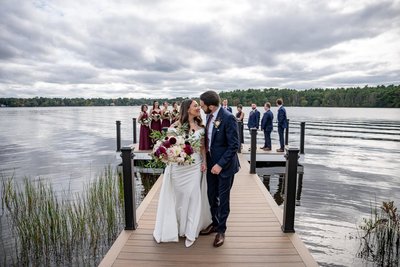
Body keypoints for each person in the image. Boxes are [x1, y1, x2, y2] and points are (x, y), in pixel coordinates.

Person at [153, 99, 212, 248]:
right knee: (179, 197)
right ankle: (178, 226)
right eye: (195, 106)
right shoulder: (175, 126)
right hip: (178, 167)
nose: (198, 108)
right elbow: (167, 146)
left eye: (199, 106)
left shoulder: (201, 127)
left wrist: (204, 162)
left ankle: (190, 230)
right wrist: (168, 155)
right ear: (187, 109)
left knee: (193, 195)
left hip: (195, 166)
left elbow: (202, 148)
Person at [199, 90, 240, 248]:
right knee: (211, 195)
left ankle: (221, 231)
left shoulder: (228, 118)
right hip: (210, 164)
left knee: (223, 200)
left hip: (225, 166)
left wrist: (220, 165)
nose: (202, 108)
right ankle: (215, 223)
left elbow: (233, 146)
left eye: (203, 106)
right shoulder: (209, 116)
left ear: (210, 106)